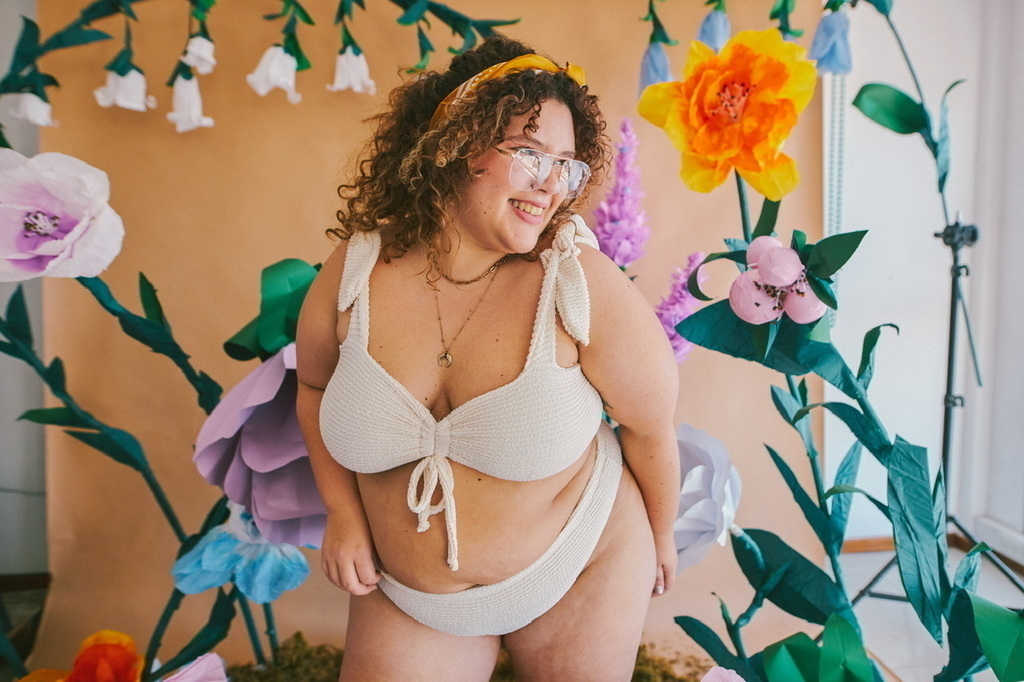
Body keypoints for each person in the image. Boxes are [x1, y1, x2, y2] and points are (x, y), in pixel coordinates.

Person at [295, 35, 680, 681]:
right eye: (530, 154)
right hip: (409, 593)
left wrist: (661, 539)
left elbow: (651, 427)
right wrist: (343, 514)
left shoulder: (577, 281)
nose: (551, 185)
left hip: (580, 563)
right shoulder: (357, 269)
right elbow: (312, 388)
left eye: (566, 165)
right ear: (455, 143)